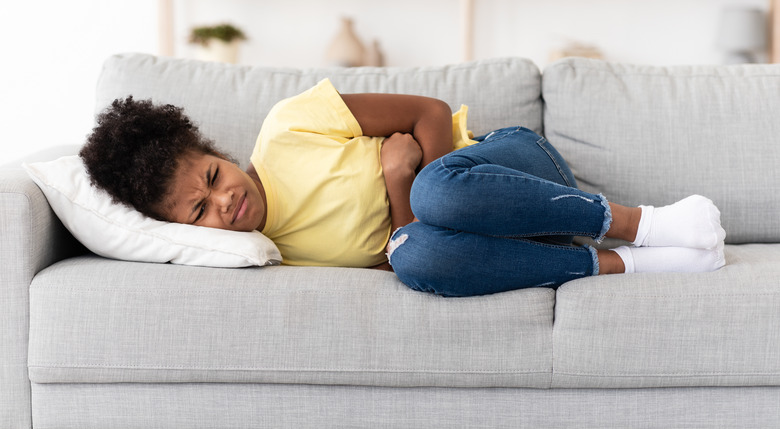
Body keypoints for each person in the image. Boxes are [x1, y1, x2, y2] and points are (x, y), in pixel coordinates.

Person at [79, 79, 726, 297]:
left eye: (215, 177)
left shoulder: (288, 127)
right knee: (417, 259)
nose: (225, 201)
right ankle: (628, 264)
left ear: (218, 152)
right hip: (509, 242)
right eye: (201, 210)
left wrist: (431, 178)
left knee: (437, 199)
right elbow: (402, 244)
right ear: (185, 231)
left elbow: (430, 113)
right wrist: (399, 183)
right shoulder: (272, 253)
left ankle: (642, 222)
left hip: (511, 169)